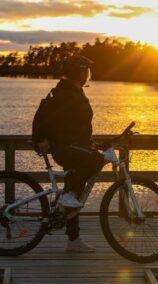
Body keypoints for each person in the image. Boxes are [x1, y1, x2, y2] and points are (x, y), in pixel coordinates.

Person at [32, 55, 104, 253]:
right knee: (96, 161)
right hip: (65, 147)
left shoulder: (74, 91)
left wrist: (92, 143)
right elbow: (44, 116)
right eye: (85, 70)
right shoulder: (64, 93)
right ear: (78, 72)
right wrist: (41, 139)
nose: (88, 74)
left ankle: (73, 240)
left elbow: (78, 125)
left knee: (75, 189)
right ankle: (67, 198)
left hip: (75, 146)